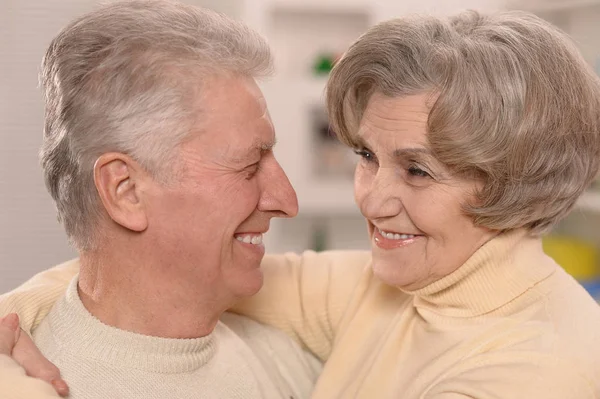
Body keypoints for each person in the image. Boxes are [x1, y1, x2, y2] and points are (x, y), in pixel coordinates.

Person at [4, 8, 600, 399]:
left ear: (515, 180)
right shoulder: (389, 287)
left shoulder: (537, 372)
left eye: (416, 170)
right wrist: (13, 316)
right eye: (367, 155)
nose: (371, 198)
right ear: (124, 190)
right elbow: (137, 275)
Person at [0, 1, 323, 398]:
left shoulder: (294, 363)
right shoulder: (29, 384)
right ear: (126, 191)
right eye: (249, 166)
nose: (286, 201)